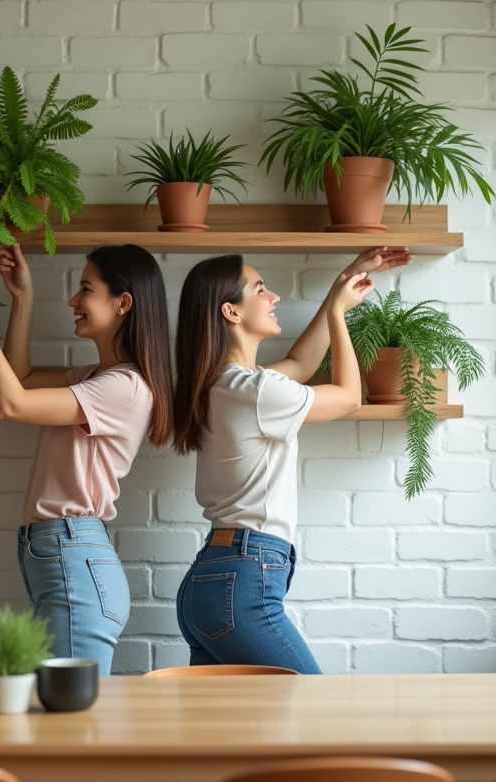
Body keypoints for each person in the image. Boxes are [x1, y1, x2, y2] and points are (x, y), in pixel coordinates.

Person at [171, 247, 412, 673]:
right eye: (260, 289)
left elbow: (302, 362)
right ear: (231, 311)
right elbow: (348, 397)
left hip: (209, 580)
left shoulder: (221, 385)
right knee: (309, 701)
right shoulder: (256, 391)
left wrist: (343, 280)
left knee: (230, 717)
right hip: (242, 578)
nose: (274, 297)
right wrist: (337, 314)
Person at [0, 240, 173, 674]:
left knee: (70, 711)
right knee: (62, 707)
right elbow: (19, 380)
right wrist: (22, 297)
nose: (73, 301)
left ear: (123, 303)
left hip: (74, 556)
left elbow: (11, 404)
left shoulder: (123, 387)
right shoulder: (98, 379)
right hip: (66, 555)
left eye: (86, 289)